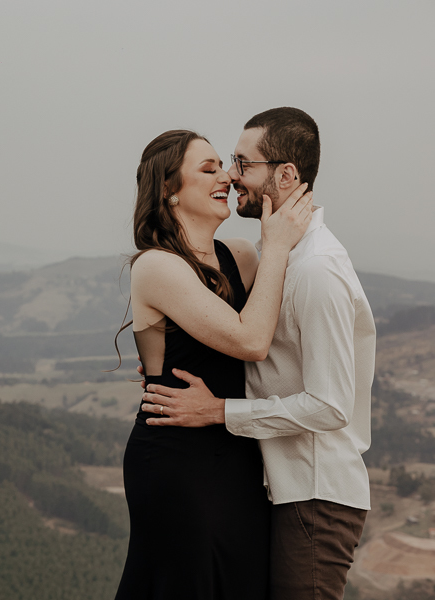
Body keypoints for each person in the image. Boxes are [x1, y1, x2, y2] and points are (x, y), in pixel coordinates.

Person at [140, 108, 374, 600]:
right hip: (269, 480)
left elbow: (331, 404)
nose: (231, 175)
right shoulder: (274, 257)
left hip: (313, 488)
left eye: (243, 164)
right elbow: (229, 332)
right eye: (222, 164)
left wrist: (221, 410)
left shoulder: (312, 270)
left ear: (286, 175)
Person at [112, 129, 313, 600]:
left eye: (223, 165)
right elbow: (252, 340)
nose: (226, 176)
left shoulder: (240, 256)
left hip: (237, 455)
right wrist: (278, 245)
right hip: (175, 457)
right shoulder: (156, 266)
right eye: (208, 169)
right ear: (168, 189)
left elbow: (275, 331)